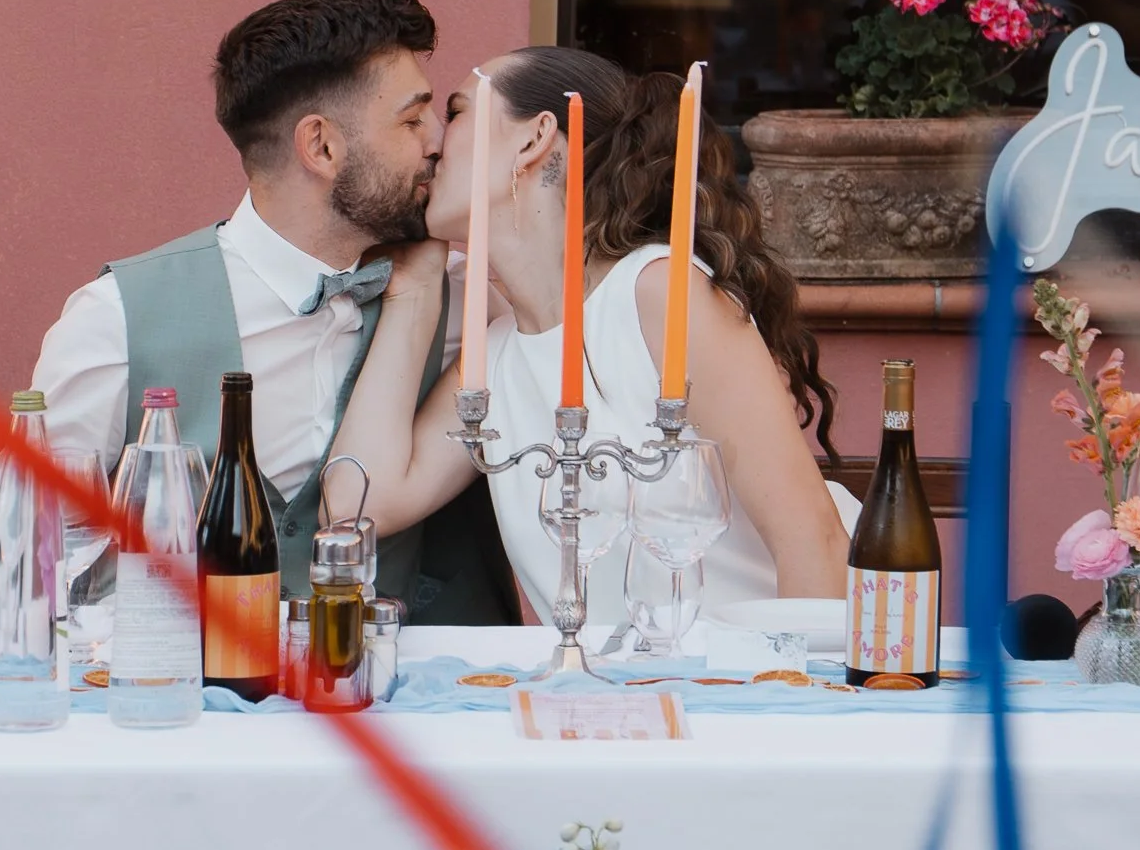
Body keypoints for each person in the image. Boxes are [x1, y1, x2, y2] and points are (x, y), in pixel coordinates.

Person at [0, 0, 515, 622]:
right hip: (180, 701)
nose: (438, 142)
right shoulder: (116, 320)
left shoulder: (467, 305)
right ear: (321, 147)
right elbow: (14, 563)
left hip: (388, 701)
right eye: (411, 118)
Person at [331, 46, 856, 625]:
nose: (431, 141)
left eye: (455, 113)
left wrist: (792, 703)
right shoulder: (495, 357)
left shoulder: (658, 292)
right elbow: (358, 503)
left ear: (533, 140)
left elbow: (815, 543)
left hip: (764, 683)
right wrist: (414, 291)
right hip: (619, 700)